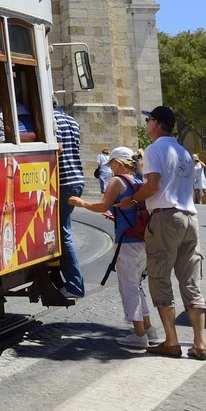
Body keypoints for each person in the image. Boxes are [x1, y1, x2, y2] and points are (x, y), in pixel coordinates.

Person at [130, 106, 206, 360]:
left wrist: (133, 199)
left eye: (149, 119)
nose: (147, 124)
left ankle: (172, 341)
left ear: (157, 123)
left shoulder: (154, 149)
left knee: (160, 277)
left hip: (165, 219)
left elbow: (153, 186)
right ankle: (199, 344)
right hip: (190, 218)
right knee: (191, 281)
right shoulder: (184, 152)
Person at [70, 147, 160, 351]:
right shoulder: (137, 181)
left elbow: (102, 205)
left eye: (111, 164)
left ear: (118, 163)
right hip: (142, 239)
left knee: (128, 286)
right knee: (136, 285)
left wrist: (81, 203)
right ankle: (149, 330)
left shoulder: (117, 181)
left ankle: (138, 335)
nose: (110, 168)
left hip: (127, 241)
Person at [51, 103, 85, 299]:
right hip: (76, 179)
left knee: (64, 233)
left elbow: (59, 149)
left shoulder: (53, 121)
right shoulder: (72, 121)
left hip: (63, 182)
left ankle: (74, 284)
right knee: (64, 230)